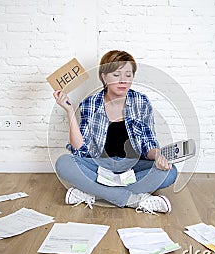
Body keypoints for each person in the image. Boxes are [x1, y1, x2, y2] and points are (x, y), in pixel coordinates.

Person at [54, 50, 177, 215]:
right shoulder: (90, 103)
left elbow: (149, 143)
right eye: (116, 74)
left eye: (128, 74)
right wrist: (69, 111)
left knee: (170, 172)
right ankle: (134, 200)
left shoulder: (141, 102)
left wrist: (159, 156)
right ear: (104, 77)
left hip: (132, 168)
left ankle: (94, 193)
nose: (123, 80)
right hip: (99, 166)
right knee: (63, 163)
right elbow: (80, 150)